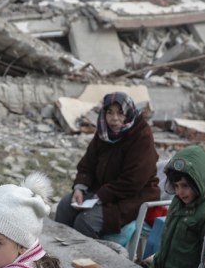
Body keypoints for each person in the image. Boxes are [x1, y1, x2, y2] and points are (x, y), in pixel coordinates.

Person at [55, 92, 159, 238]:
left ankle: (86, 259)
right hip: (103, 191)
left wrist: (100, 197)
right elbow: (87, 164)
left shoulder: (141, 135)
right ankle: (59, 253)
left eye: (120, 113)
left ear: (129, 113)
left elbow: (133, 181)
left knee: (86, 221)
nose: (114, 119)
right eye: (109, 113)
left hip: (132, 197)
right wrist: (80, 187)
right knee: (65, 206)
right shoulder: (104, 132)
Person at [137, 145, 205, 268]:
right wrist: (156, 258)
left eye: (186, 186)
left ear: (200, 182)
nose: (180, 192)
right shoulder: (178, 202)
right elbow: (168, 237)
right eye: (176, 186)